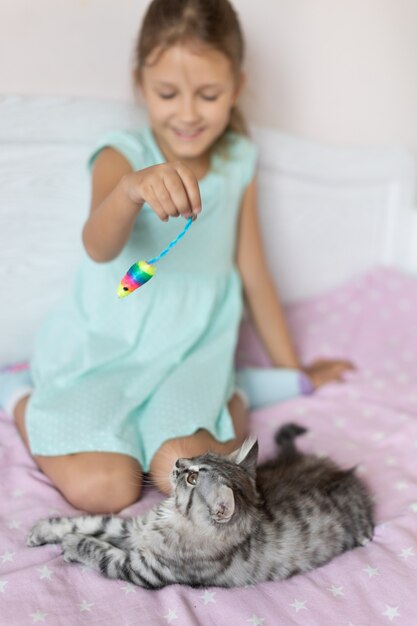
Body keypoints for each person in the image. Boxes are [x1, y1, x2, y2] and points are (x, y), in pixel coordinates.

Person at [0, 0, 353, 514]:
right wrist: (129, 191)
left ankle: (239, 391)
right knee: (108, 488)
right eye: (168, 93)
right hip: (110, 343)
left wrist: (292, 370)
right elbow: (99, 248)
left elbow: (253, 273)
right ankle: (20, 397)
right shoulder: (123, 154)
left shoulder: (237, 162)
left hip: (192, 348)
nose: (188, 113)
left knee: (180, 470)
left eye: (208, 95)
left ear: (236, 86)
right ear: (140, 85)